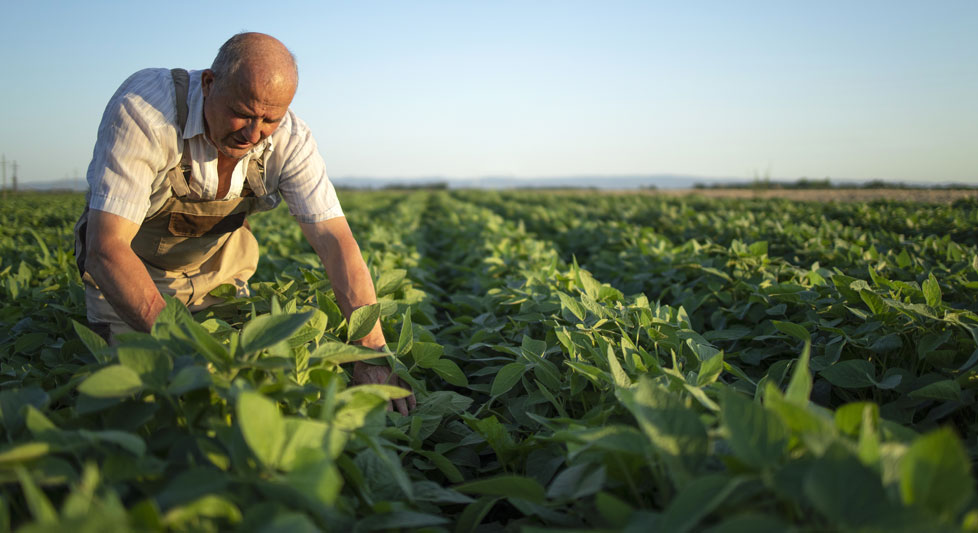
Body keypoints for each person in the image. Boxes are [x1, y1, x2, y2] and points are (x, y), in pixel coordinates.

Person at [73, 32, 415, 414]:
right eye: (243, 112)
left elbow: (335, 242)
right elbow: (106, 250)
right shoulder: (146, 111)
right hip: (132, 276)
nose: (253, 134)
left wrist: (369, 353)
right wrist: (190, 351)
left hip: (219, 272)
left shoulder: (291, 140)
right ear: (208, 83)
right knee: (144, 400)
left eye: (270, 119)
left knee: (254, 394)